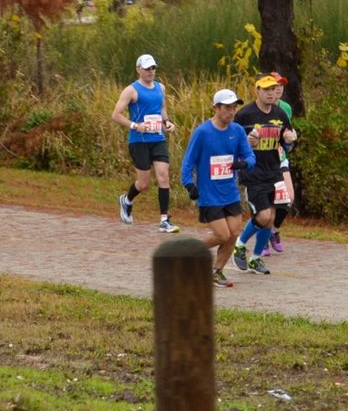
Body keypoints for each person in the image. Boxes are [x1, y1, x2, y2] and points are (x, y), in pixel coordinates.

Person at [180, 89, 257, 286]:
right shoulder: (203, 132)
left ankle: (216, 272)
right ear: (216, 108)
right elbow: (188, 162)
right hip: (209, 195)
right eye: (227, 108)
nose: (231, 112)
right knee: (223, 235)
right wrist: (189, 185)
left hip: (230, 193)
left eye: (234, 108)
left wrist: (244, 163)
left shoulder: (238, 131)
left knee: (233, 234)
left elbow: (250, 156)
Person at [232, 74, 297, 275]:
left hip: (274, 171)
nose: (270, 93)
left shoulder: (280, 114)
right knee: (263, 216)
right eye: (266, 89)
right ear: (257, 91)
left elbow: (287, 144)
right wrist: (245, 144)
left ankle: (255, 259)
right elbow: (231, 141)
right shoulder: (245, 114)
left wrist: (290, 140)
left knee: (271, 218)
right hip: (253, 173)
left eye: (273, 89)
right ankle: (240, 245)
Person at [113, 54, 177, 233]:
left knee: (164, 177)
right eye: (147, 68)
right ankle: (126, 200)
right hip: (139, 141)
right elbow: (116, 115)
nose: (151, 72)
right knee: (143, 184)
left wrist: (167, 122)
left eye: (153, 68)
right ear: (138, 69)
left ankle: (165, 220)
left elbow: (162, 108)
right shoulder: (131, 90)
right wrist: (135, 125)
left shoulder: (160, 88)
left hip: (158, 138)